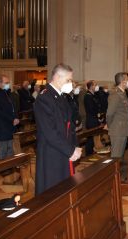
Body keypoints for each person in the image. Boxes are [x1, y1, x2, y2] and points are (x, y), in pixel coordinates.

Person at [33, 64, 82, 194]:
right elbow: (50, 132)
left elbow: (69, 126)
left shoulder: (60, 96)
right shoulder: (44, 98)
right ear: (57, 77)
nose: (70, 83)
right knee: (52, 191)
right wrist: (70, 150)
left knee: (64, 189)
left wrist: (75, 147)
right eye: (68, 80)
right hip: (52, 153)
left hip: (63, 150)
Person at [106, 72, 128, 181]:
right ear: (122, 81)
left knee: (119, 156)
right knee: (116, 157)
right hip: (117, 129)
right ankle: (113, 180)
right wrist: (109, 125)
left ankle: (118, 178)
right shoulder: (115, 94)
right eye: (127, 79)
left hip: (123, 129)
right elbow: (109, 113)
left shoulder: (123, 93)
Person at [0, 75, 19, 160]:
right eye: (6, 83)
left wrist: (15, 118)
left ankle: (10, 169)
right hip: (2, 126)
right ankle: (3, 171)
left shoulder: (6, 93)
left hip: (10, 126)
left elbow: (12, 108)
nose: (8, 84)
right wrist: (12, 119)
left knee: (10, 150)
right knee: (3, 151)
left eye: (8, 83)